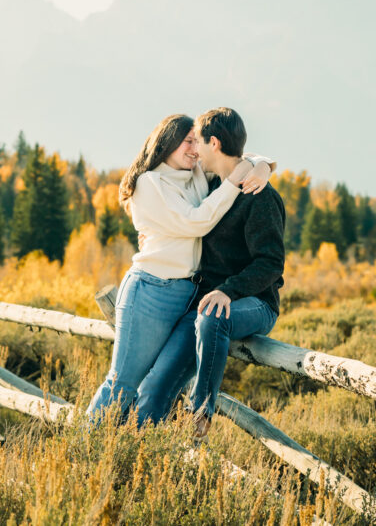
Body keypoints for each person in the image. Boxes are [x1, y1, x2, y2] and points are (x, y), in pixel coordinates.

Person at [85, 113, 273, 421]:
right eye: (187, 142)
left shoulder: (196, 173)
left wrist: (262, 167)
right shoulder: (150, 183)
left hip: (189, 294)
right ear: (167, 142)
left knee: (156, 383)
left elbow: (236, 156)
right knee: (124, 383)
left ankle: (135, 454)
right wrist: (237, 182)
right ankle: (88, 450)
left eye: (196, 142)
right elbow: (195, 222)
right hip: (151, 292)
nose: (194, 150)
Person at [136, 107, 285, 438]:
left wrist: (228, 291)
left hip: (254, 303)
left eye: (197, 142)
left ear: (214, 144)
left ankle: (200, 414)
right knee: (157, 381)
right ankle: (140, 452)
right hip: (207, 302)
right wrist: (263, 163)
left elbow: (271, 263)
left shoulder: (261, 197)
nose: (194, 151)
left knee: (214, 318)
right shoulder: (211, 187)